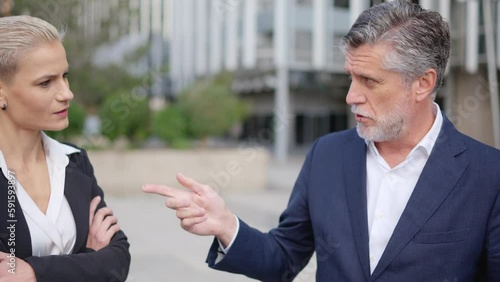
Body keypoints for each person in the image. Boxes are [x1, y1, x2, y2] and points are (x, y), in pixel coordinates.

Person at [143, 1, 500, 281]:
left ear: (423, 83)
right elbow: (282, 259)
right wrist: (226, 226)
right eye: (349, 77)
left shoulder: (489, 176)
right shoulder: (327, 156)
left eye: (369, 81)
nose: (350, 96)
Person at [0, 15, 130, 281]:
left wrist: (34, 271)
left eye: (65, 76)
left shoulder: (74, 160)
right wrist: (89, 259)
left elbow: (118, 260)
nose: (66, 93)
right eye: (46, 82)